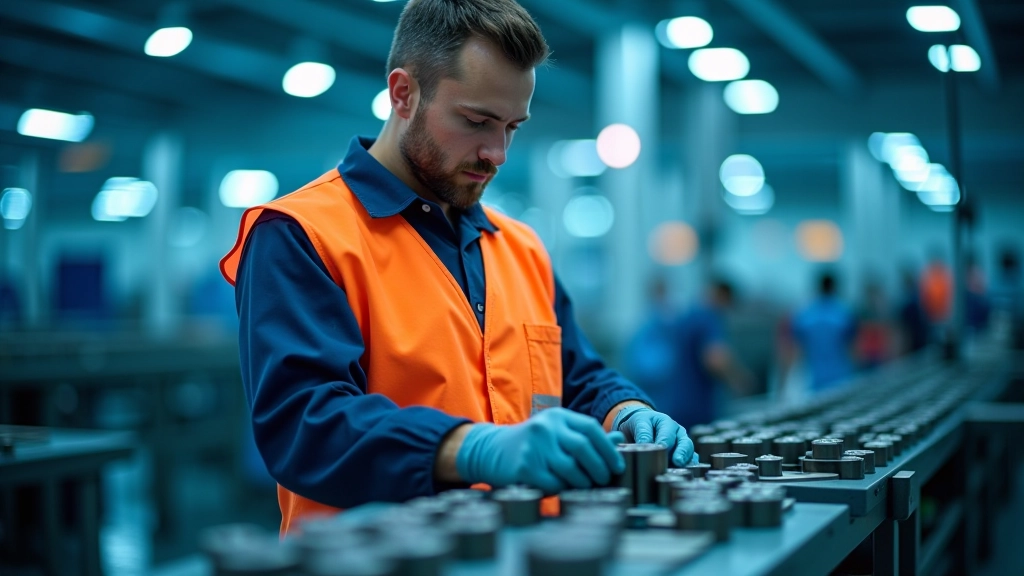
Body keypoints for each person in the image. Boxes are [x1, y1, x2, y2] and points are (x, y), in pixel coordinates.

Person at [219, 0, 696, 533]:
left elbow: (574, 374)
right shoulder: (302, 234)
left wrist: (624, 410)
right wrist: (473, 450)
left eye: (513, 126)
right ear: (404, 94)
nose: (497, 152)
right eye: (477, 121)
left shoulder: (520, 248)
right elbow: (306, 426)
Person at [663, 279, 753, 428]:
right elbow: (714, 359)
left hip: (678, 401)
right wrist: (738, 379)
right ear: (723, 297)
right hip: (698, 405)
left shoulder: (688, 315)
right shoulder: (709, 318)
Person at [788, 271, 857, 392]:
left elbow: (796, 350)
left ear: (818, 287)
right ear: (835, 287)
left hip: (813, 379)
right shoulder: (844, 313)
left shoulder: (804, 315)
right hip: (841, 378)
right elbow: (853, 349)